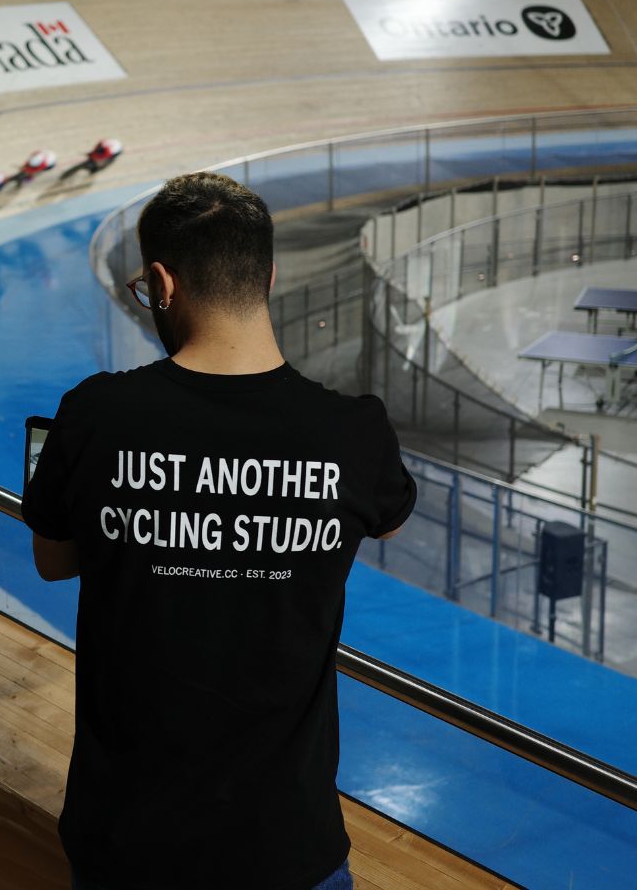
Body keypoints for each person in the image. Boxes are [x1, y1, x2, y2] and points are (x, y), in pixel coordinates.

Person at [22, 171, 416, 890]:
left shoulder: (97, 414)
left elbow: (54, 559)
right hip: (288, 847)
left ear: (161, 282)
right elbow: (386, 521)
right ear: (266, 275)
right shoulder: (353, 432)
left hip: (128, 844)